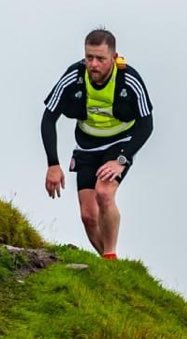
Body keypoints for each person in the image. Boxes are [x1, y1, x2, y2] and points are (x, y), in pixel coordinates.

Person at [41, 28, 153, 260]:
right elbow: (48, 117)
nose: (93, 64)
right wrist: (53, 164)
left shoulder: (128, 78)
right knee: (88, 216)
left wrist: (122, 160)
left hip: (119, 144)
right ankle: (110, 266)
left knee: (104, 193)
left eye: (100, 59)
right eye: (89, 57)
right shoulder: (75, 75)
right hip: (87, 146)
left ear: (113, 57)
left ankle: (110, 255)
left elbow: (147, 124)